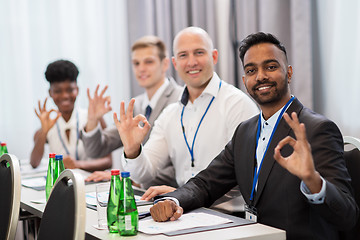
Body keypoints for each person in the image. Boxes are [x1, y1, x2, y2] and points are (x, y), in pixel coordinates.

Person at [148, 32, 359, 239]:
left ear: (289, 72)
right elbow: (206, 182)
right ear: (244, 79)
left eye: (271, 67)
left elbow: (347, 216)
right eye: (251, 70)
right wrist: (173, 201)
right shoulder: (245, 131)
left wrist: (313, 180)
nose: (260, 76)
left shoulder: (317, 129)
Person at [114, 26, 259, 207]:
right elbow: (143, 173)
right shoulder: (170, 114)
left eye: (199, 52)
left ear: (214, 56)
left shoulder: (237, 104)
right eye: (183, 55)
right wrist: (132, 149)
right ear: (175, 63)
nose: (191, 62)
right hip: (183, 213)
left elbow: (246, 175)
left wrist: (186, 194)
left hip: (229, 218)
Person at [81, 35, 183, 187]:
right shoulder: (136, 104)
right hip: (137, 194)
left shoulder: (181, 99)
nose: (141, 68)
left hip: (167, 195)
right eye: (136, 63)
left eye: (149, 61)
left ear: (165, 64)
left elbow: (182, 163)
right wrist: (92, 120)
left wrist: (129, 179)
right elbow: (96, 150)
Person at [30, 60, 112, 171]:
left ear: (77, 90)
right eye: (58, 91)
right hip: (64, 185)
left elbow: (108, 161)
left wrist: (77, 164)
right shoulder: (49, 123)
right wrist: (44, 132)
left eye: (70, 90)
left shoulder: (92, 117)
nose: (65, 96)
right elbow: (34, 163)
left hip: (92, 181)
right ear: (50, 93)